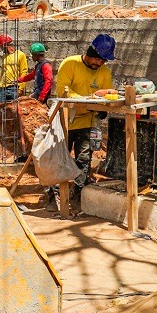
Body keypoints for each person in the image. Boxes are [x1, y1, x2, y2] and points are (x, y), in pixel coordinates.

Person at [53, 33, 116, 199]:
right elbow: (63, 92)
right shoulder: (70, 64)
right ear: (90, 52)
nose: (99, 63)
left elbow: (107, 95)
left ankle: (79, 193)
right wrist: (91, 99)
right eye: (97, 59)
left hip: (87, 123)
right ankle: (56, 193)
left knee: (83, 158)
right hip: (65, 121)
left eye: (103, 61)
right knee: (61, 158)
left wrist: (103, 106)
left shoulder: (104, 72)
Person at [0, 34, 27, 103]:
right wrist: (0, 85)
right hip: (3, 88)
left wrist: (21, 88)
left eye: (1, 46)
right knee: (1, 110)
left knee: (14, 110)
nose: (1, 48)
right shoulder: (4, 56)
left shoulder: (20, 55)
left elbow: (24, 72)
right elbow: (3, 72)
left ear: (6, 45)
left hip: (14, 88)